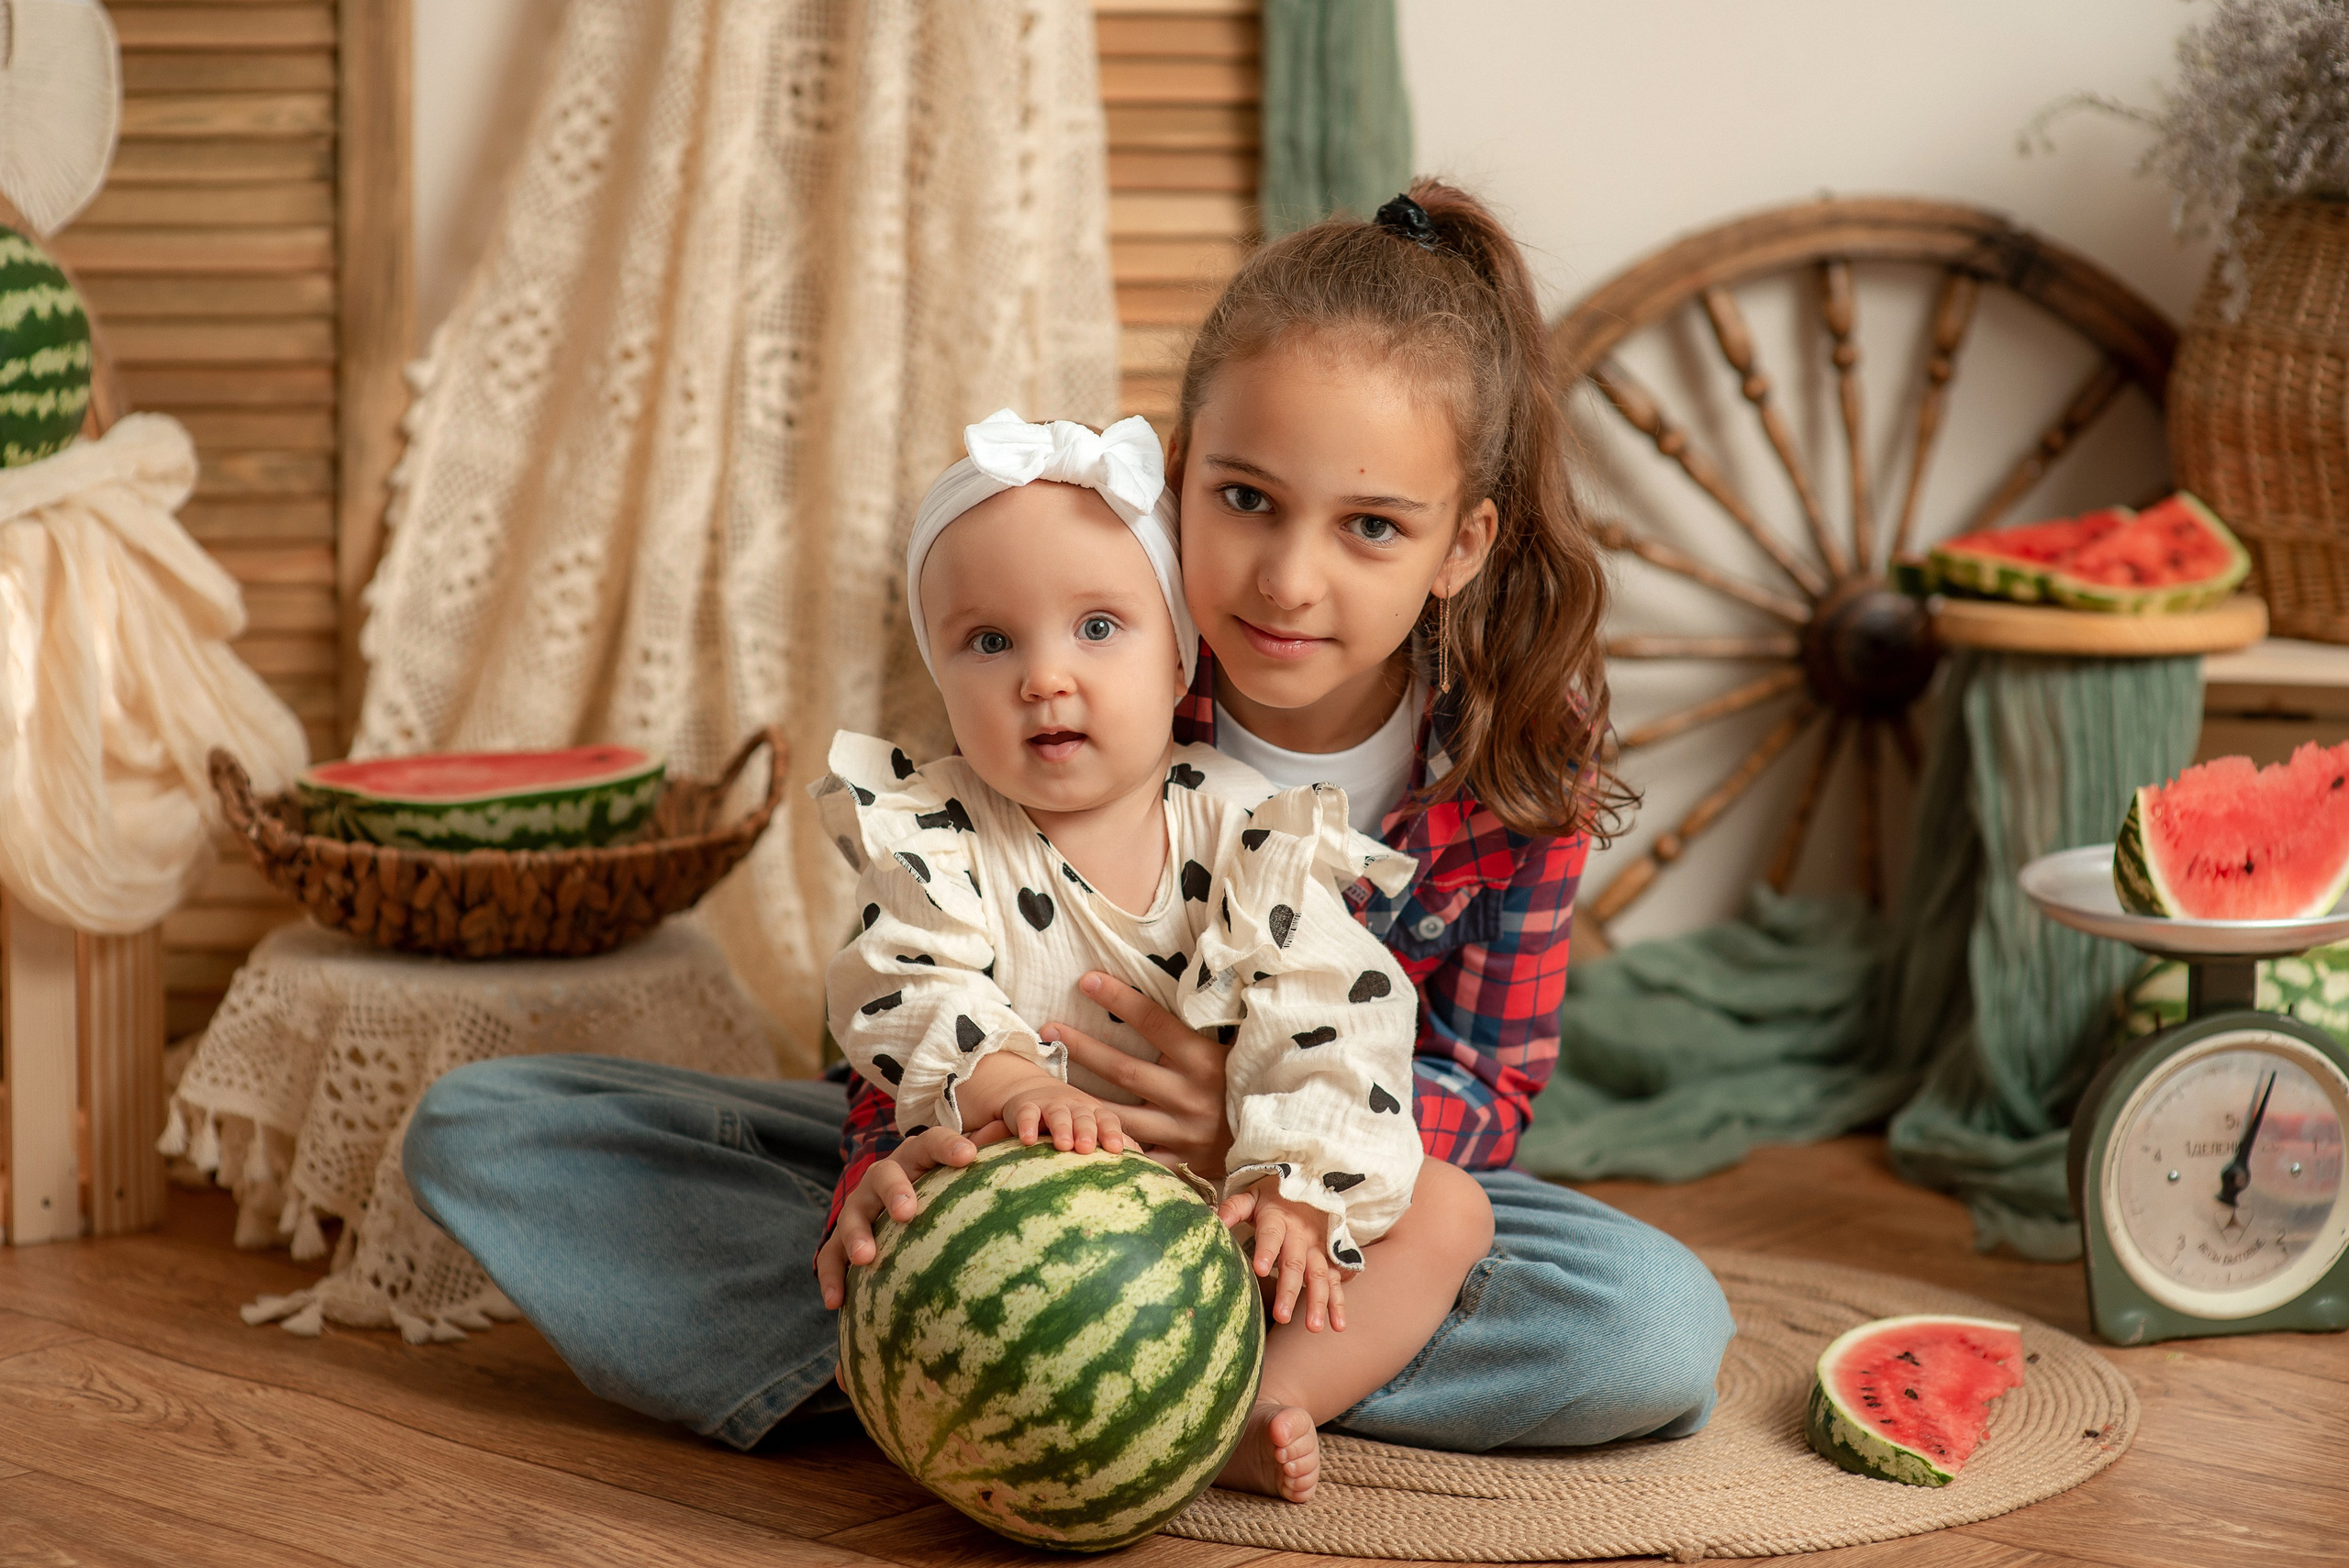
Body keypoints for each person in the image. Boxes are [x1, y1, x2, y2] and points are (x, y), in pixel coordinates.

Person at [404, 180, 1733, 1477]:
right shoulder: (1077, 651)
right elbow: (924, 964)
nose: (1285, 577)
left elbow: (1491, 1091)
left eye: (1373, 526)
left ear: (1462, 544)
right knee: (489, 1124)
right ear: (1179, 471)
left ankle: (1047, 1384)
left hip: (1315, 1203)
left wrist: (1245, 1126)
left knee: (1650, 1325)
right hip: (1016, 1153)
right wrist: (891, 1163)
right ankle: (1054, 1357)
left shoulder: (1523, 747)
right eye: (1246, 498)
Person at [819, 407, 1493, 1500]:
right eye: (989, 641)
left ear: (1179, 649)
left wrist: (1293, 1184)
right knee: (525, 1129)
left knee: (1454, 1213)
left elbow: (1340, 1014)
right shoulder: (938, 828)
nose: (1044, 676)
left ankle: (1259, 1399)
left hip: (1230, 1213)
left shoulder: (1248, 829)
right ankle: (981, 1384)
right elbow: (901, 983)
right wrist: (1007, 1084)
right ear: (936, 669)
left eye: (1097, 627)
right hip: (1014, 1229)